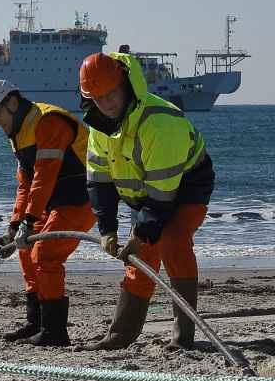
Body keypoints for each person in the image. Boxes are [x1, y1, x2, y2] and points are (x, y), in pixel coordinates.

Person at [78, 51, 215, 351]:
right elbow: (98, 181)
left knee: (172, 242)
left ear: (126, 84)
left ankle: (183, 337)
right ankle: (120, 335)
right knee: (140, 261)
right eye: (97, 97)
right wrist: (107, 229)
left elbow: (163, 197)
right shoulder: (98, 127)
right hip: (144, 195)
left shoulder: (160, 123)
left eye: (111, 93)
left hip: (185, 188)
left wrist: (140, 234)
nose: (106, 103)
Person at [0, 79, 96, 346]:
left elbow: (45, 175)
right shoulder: (19, 133)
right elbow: (26, 184)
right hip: (55, 200)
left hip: (83, 198)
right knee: (25, 250)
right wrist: (14, 227)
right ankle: (37, 323)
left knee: (46, 253)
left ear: (13, 103)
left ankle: (55, 332)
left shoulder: (49, 121)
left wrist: (28, 221)